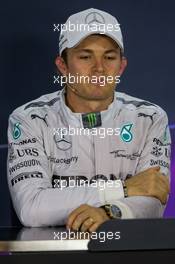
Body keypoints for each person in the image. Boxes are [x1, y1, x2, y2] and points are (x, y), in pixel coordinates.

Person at [7, 8, 171, 232]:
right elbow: (31, 208)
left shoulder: (150, 118)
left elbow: (154, 197)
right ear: (62, 66)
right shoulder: (29, 119)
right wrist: (123, 189)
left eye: (109, 57)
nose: (99, 69)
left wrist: (108, 213)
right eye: (85, 57)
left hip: (129, 253)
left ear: (121, 66)